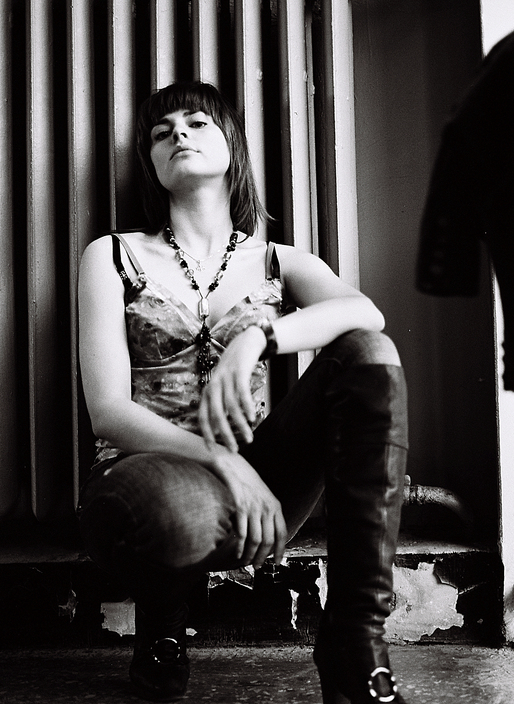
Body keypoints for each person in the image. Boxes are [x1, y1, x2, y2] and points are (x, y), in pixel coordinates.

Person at [76, 80, 409, 703]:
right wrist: (226, 464)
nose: (179, 134)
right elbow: (109, 413)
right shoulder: (113, 255)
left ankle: (355, 637)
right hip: (144, 470)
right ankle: (163, 627)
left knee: (367, 354)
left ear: (231, 143)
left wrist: (258, 337)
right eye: (162, 133)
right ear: (152, 165)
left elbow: (367, 315)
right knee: (174, 511)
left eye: (196, 123)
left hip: (260, 471)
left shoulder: (280, 262)